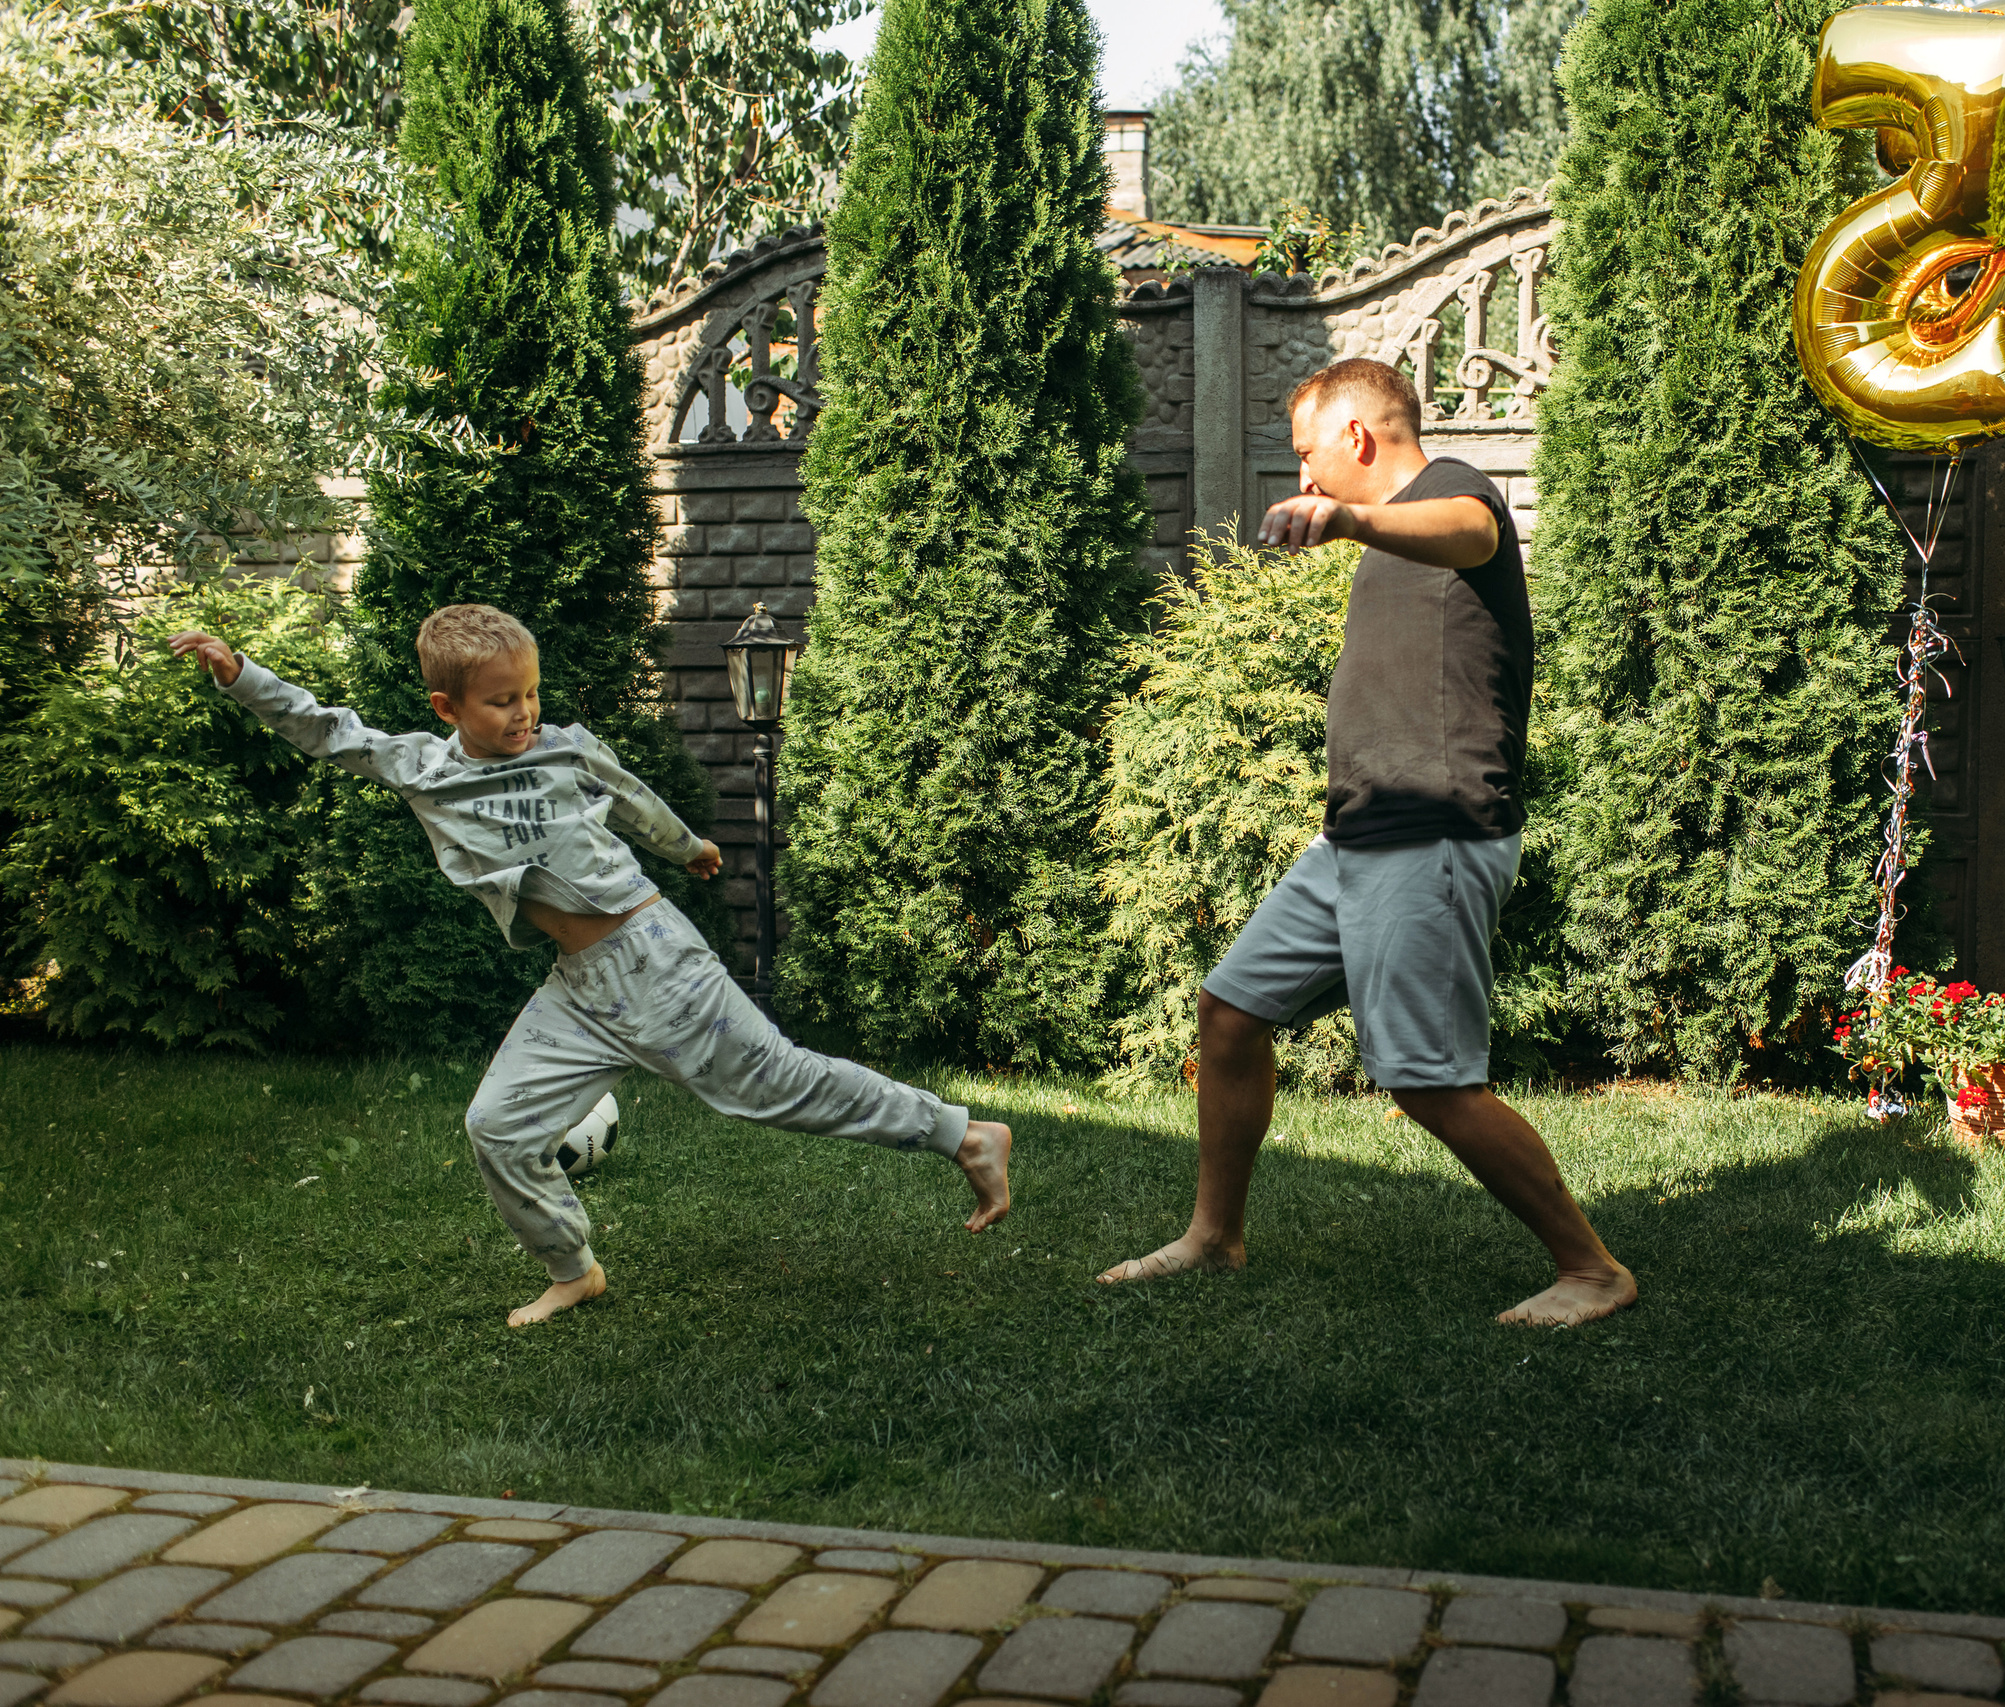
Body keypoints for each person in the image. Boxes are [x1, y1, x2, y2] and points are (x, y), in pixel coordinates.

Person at [169, 605, 1012, 1327]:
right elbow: (328, 730)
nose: (524, 713)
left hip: (655, 963)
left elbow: (634, 797)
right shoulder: (423, 769)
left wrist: (689, 847)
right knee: (497, 1127)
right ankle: (572, 1269)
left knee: (778, 1084)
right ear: (447, 706)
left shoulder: (565, 749)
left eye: (530, 693)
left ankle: (965, 1134)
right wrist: (241, 675)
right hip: (578, 990)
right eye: (502, 700)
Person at [1098, 359, 1636, 1327]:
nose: (1305, 475)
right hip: (1354, 837)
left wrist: (1349, 519)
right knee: (1230, 1014)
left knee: (1429, 1082)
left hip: (1434, 830)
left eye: (1309, 454)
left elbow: (1472, 530)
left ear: (1355, 435)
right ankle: (1214, 1237)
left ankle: (1591, 1268)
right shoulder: (1389, 535)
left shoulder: (1449, 494)